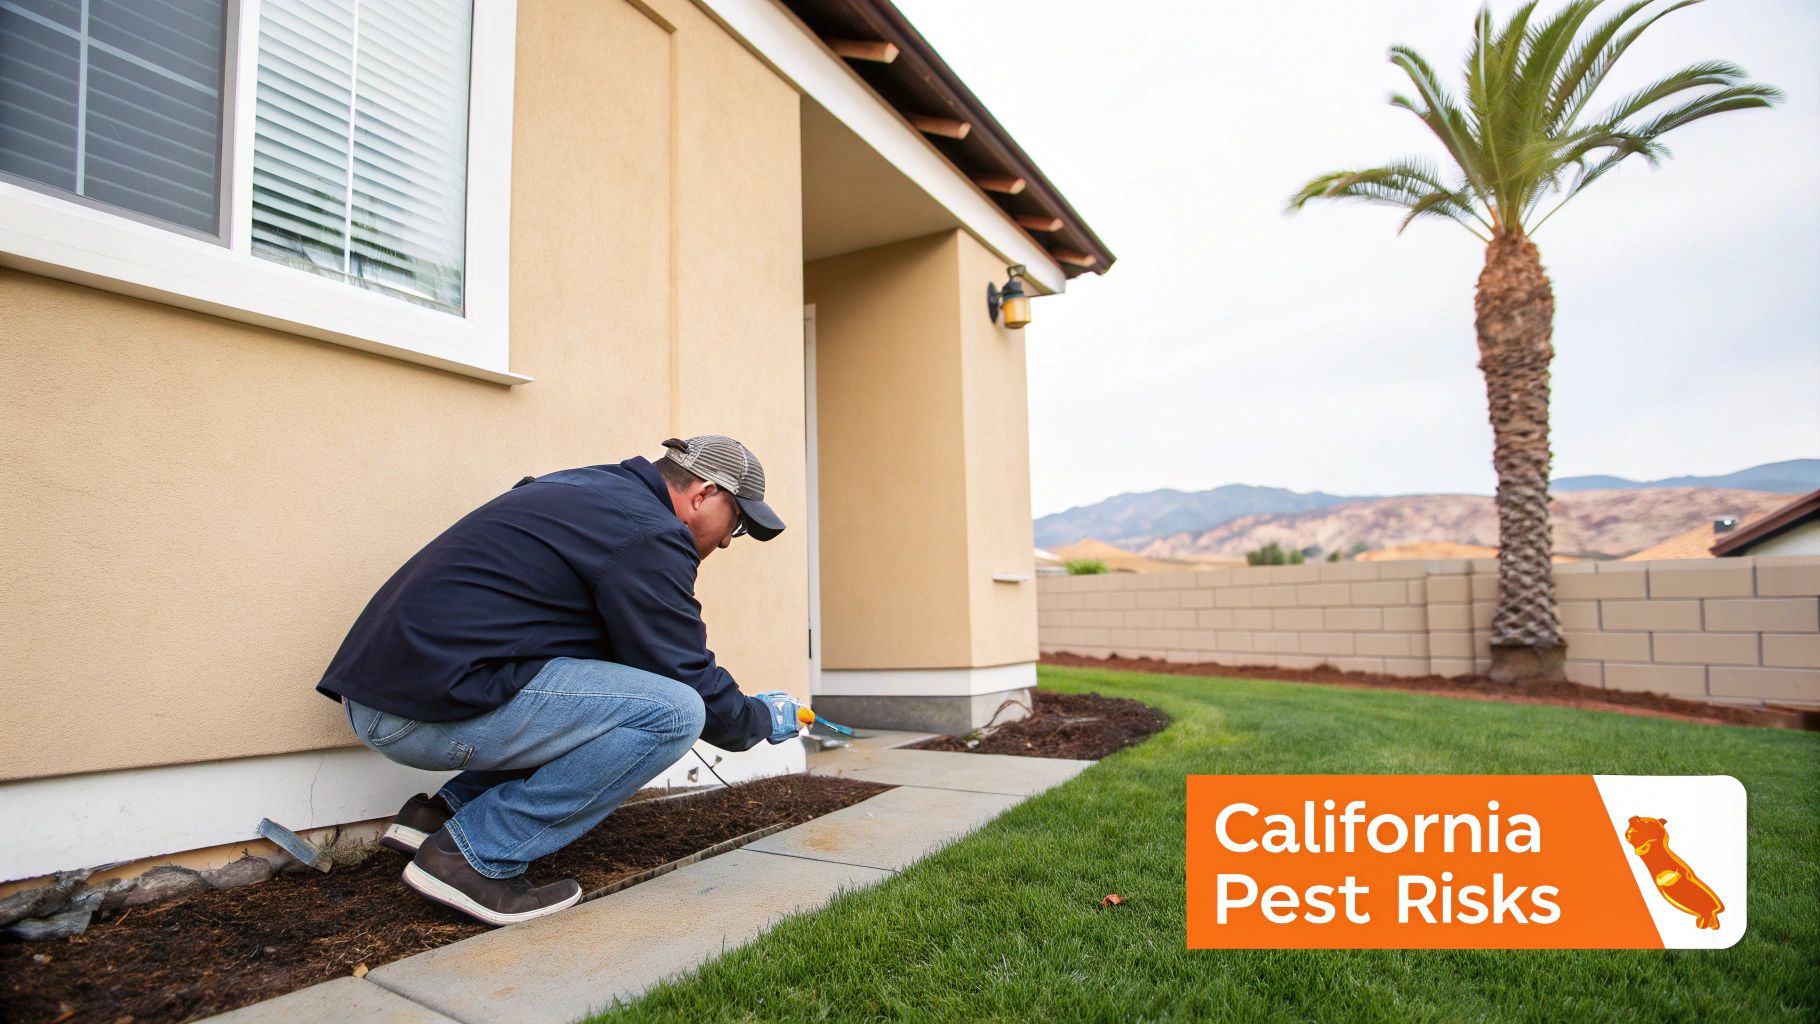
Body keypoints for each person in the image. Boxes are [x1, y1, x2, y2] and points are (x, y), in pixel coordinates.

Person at [316, 435, 803, 926]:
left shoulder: (585, 490)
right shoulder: (647, 532)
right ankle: (473, 855)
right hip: (414, 713)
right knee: (676, 712)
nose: (724, 541)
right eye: (735, 523)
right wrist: (756, 718)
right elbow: (682, 670)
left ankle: (440, 817)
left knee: (614, 693)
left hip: (388, 694)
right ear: (703, 493)